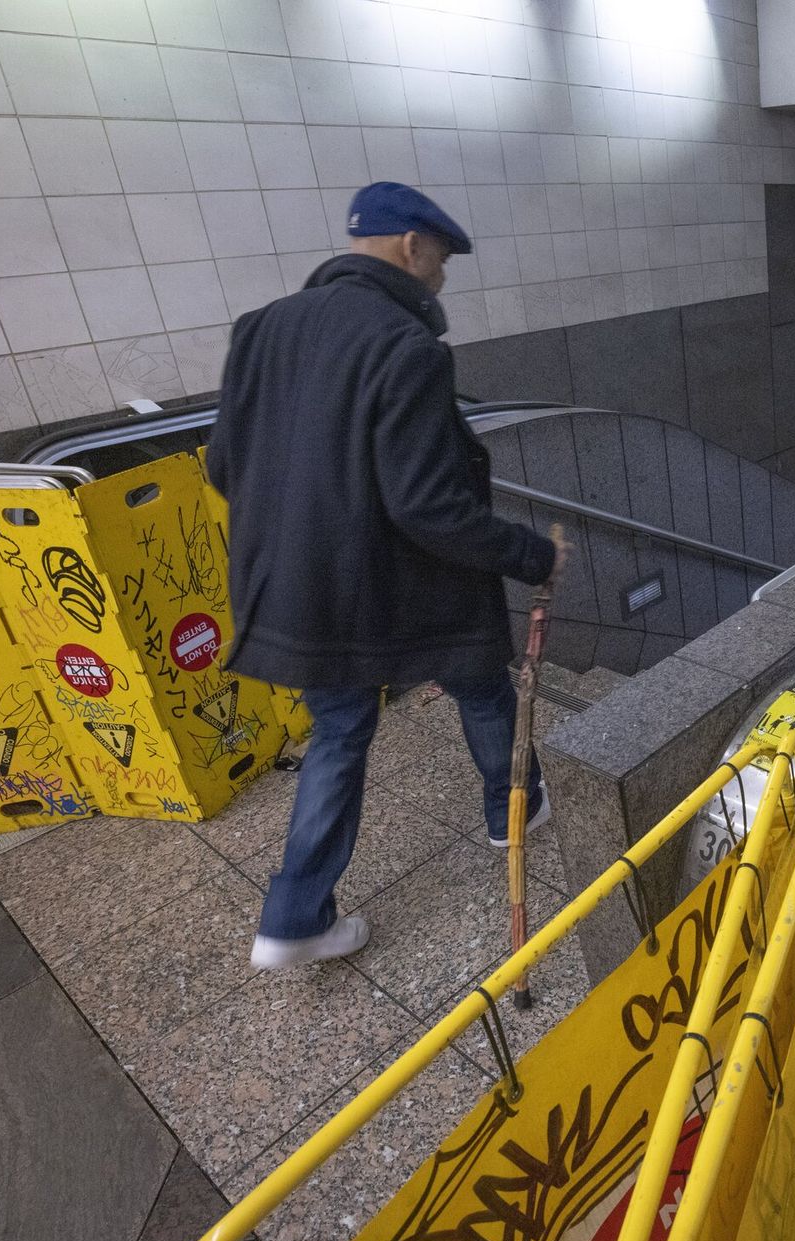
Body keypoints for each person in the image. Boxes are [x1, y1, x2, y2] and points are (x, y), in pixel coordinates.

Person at [207, 181, 565, 970]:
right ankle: (514, 809)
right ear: (411, 247)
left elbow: (223, 466)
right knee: (479, 681)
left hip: (290, 591)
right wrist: (531, 554)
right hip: (398, 589)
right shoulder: (406, 349)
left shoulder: (260, 330)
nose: (439, 281)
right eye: (439, 262)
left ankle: (294, 917)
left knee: (339, 729)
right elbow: (428, 506)